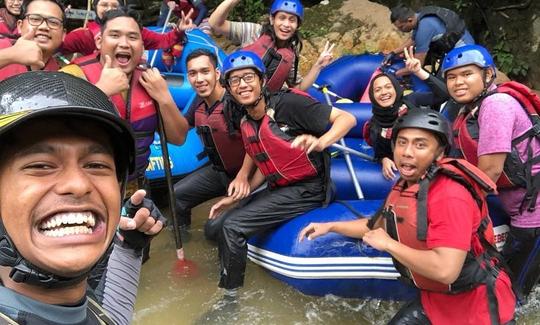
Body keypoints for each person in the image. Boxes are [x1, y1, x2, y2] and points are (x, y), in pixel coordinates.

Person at [299, 109, 516, 324]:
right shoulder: (406, 185)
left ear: (439, 153)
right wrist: (330, 227)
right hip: (437, 301)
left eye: (420, 145)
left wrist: (389, 245)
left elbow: (445, 271)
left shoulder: (451, 195)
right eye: (402, 142)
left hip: (478, 309)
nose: (407, 152)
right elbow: (376, 226)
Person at [0, 71, 165, 325]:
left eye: (96, 165)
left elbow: (111, 315)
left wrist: (129, 243)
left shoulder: (90, 309)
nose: (78, 185)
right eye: (41, 165)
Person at [205, 50, 356, 297]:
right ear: (229, 88)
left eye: (248, 78)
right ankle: (227, 272)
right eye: (235, 80)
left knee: (232, 226)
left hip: (308, 189)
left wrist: (321, 143)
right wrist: (235, 197)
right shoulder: (247, 118)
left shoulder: (288, 104)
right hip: (279, 187)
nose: (242, 85)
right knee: (216, 226)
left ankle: (229, 299)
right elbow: (265, 162)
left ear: (262, 81)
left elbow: (346, 118)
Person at [442, 44, 540, 298]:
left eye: (467, 74)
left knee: (512, 292)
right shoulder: (470, 110)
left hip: (534, 217)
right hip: (520, 207)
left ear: (487, 76)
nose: (458, 82)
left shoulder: (496, 105)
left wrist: (451, 209)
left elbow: (490, 171)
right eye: (451, 77)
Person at [61, 8, 189, 195]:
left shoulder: (149, 79)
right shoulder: (73, 75)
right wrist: (101, 91)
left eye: (132, 37)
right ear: (99, 41)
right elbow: (54, 135)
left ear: (142, 45)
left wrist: (164, 97)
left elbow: (178, 138)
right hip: (86, 190)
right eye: (115, 35)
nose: (124, 43)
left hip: (135, 188)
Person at [173, 49, 251, 231]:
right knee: (177, 195)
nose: (199, 79)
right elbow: (180, 130)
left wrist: (243, 176)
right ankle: (183, 241)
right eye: (193, 74)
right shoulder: (198, 102)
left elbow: (259, 141)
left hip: (249, 175)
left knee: (213, 229)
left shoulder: (236, 102)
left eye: (204, 72)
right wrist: (162, 102)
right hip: (220, 173)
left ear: (217, 73)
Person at [209, 0, 334, 92]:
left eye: (292, 20)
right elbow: (215, 23)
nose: (286, 24)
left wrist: (318, 66)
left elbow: (298, 88)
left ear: (298, 25)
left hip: (261, 105)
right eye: (282, 18)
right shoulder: (254, 31)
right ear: (272, 19)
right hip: (233, 93)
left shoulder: (291, 53)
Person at [366, 46, 449, 180]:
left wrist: (418, 71)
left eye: (388, 87)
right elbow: (381, 152)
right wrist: (384, 160)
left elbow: (444, 95)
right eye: (378, 90)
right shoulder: (375, 125)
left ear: (397, 89)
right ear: (372, 96)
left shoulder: (412, 100)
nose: (384, 92)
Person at [61, 0, 194, 56]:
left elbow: (163, 41)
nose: (109, 9)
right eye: (104, 5)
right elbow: (57, 48)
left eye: (114, 5)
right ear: (96, 7)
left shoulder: (135, 31)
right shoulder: (83, 35)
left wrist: (179, 30)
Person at [388, 4, 474, 77]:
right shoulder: (419, 16)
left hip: (464, 49)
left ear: (409, 20)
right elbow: (413, 40)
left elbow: (417, 65)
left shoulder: (424, 29)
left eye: (401, 27)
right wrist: (393, 53)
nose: (400, 30)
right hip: (458, 43)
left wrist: (394, 73)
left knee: (444, 81)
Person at [0, 0, 65, 80]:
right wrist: (9, 56)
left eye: (53, 22)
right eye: (35, 19)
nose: (44, 27)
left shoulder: (60, 75)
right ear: (20, 26)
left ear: (63, 35)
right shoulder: (3, 47)